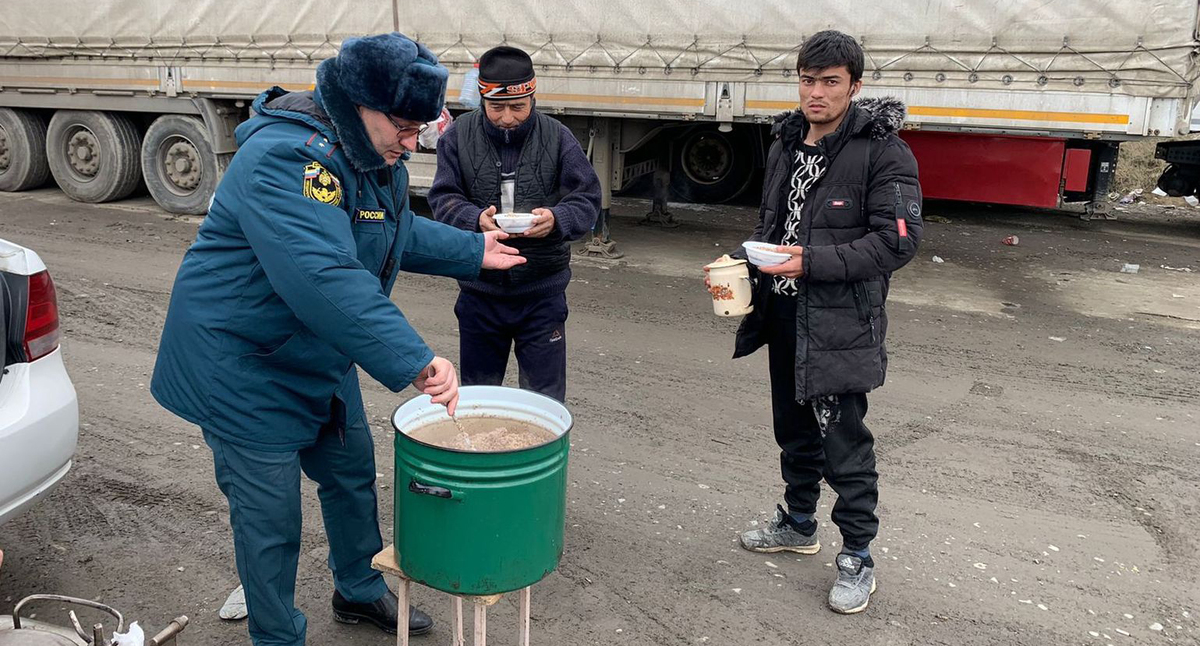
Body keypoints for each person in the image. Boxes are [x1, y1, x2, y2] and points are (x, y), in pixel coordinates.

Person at [150, 33, 524, 646]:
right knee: (270, 519)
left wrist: (473, 249)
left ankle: (357, 588)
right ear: (359, 105)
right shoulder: (285, 159)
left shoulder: (372, 157)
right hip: (243, 364)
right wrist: (416, 360)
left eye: (421, 128)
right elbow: (323, 274)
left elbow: (389, 228)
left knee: (351, 475)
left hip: (316, 349)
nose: (414, 143)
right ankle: (278, 636)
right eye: (405, 127)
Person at [712, 30, 923, 614]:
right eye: (808, 80)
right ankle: (799, 523)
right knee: (794, 429)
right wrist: (740, 264)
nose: (817, 93)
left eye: (830, 82)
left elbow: (897, 243)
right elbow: (774, 223)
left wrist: (812, 263)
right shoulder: (785, 142)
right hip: (783, 313)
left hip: (839, 323)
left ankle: (858, 555)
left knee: (843, 442)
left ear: (854, 87)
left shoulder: (884, 151)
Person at [427, 45, 601, 402]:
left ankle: (542, 459)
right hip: (480, 294)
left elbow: (587, 201)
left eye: (518, 107)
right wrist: (474, 218)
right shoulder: (458, 137)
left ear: (533, 98)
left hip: (542, 296)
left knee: (545, 402)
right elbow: (442, 200)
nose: (507, 117)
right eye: (497, 107)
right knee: (478, 397)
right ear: (482, 99)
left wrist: (556, 219)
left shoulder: (558, 137)